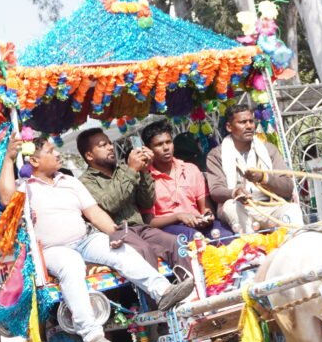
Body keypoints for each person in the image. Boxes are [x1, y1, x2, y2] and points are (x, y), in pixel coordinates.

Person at [0, 135, 195, 342]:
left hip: (85, 239)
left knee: (119, 250)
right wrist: (8, 159)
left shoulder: (69, 181)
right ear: (34, 161)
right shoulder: (24, 187)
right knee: (71, 267)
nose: (57, 153)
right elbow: (5, 199)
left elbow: (93, 212)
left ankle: (163, 291)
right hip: (53, 250)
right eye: (51, 151)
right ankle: (92, 335)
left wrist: (114, 233)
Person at [77, 127, 192, 276]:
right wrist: (132, 170)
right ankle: (159, 298)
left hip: (141, 228)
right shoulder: (85, 182)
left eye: (109, 143)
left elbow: (147, 203)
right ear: (89, 155)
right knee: (143, 250)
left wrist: (145, 171)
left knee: (176, 243)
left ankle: (192, 292)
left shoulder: (123, 169)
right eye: (102, 145)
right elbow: (110, 205)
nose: (111, 147)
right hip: (117, 233)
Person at [205, 105, 302, 234]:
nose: (249, 126)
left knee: (292, 209)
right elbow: (216, 190)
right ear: (229, 127)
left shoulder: (268, 149)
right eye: (242, 122)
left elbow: (288, 187)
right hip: (239, 207)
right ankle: (252, 249)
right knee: (231, 206)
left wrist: (264, 178)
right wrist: (235, 193)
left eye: (251, 121)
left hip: (269, 206)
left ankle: (293, 249)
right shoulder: (216, 155)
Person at [140, 119, 232, 243]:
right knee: (194, 238)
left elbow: (206, 208)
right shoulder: (145, 178)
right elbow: (149, 222)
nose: (166, 148)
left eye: (168, 142)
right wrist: (178, 217)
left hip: (198, 224)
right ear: (148, 149)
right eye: (159, 144)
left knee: (227, 236)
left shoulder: (191, 169)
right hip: (168, 229)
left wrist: (207, 217)